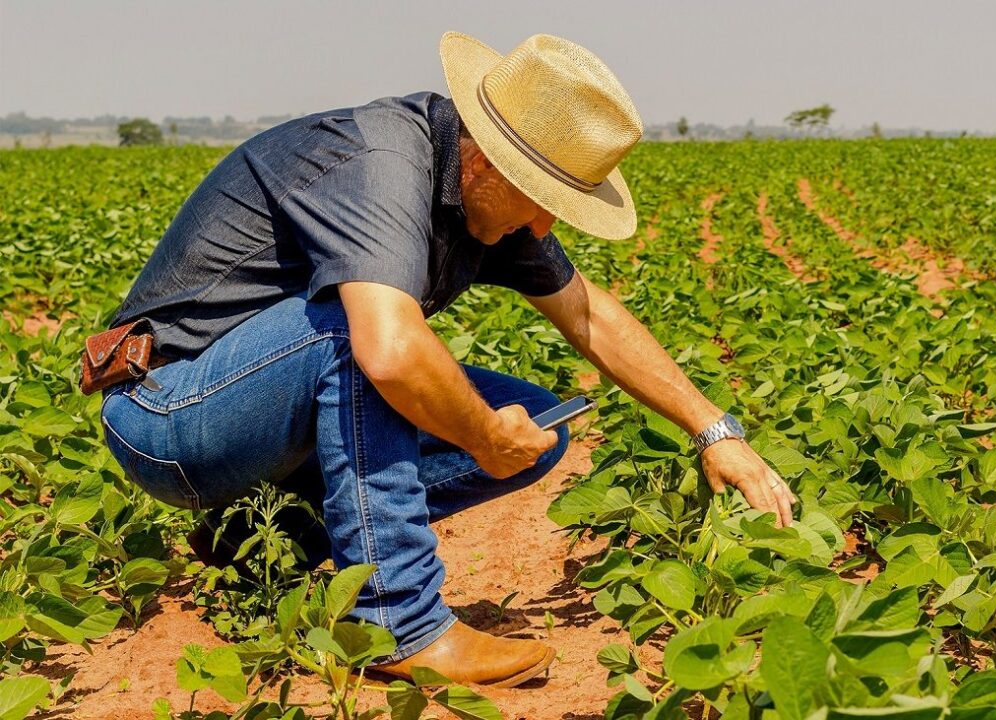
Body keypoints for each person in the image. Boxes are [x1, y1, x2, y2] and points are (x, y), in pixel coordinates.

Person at [96, 31, 797, 688]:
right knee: (364, 334)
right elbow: (390, 353)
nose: (546, 226)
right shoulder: (380, 163)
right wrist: (480, 438)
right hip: (165, 414)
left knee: (537, 427)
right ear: (490, 159)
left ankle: (265, 530)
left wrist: (715, 430)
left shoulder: (487, 196)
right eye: (545, 201)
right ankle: (399, 623)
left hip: (258, 421)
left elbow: (588, 314)